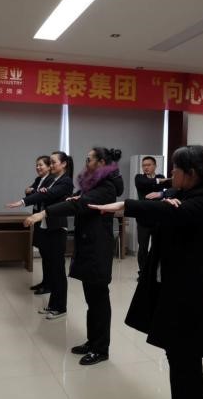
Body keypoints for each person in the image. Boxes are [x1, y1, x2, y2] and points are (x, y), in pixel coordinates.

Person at [91, 145, 203, 399]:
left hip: (189, 293)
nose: (171, 173)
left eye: (176, 169)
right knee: (176, 354)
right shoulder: (180, 193)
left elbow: (172, 212)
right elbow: (156, 215)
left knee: (187, 361)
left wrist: (125, 205)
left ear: (190, 173)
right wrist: (165, 202)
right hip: (171, 288)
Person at [24, 147, 123, 365]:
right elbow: (78, 199)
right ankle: (92, 341)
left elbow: (79, 204)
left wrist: (44, 212)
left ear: (101, 163)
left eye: (89, 159)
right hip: (88, 246)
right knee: (91, 298)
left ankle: (101, 348)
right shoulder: (94, 184)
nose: (85, 163)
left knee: (98, 299)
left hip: (98, 249)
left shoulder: (106, 187)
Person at [7, 151, 74, 319]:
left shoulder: (66, 181)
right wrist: (32, 195)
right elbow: (42, 194)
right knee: (52, 267)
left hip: (57, 228)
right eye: (49, 162)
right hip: (47, 227)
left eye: (53, 162)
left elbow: (48, 194)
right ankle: (53, 305)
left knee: (58, 270)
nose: (51, 165)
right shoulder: (54, 180)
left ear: (64, 164)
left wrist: (23, 201)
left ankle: (60, 307)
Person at [134, 156, 170, 279]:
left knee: (156, 247)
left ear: (155, 166)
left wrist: (161, 182)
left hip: (157, 218)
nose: (146, 167)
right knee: (143, 248)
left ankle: (153, 272)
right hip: (143, 219)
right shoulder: (139, 178)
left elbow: (171, 185)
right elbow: (145, 183)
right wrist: (160, 181)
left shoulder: (160, 176)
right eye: (144, 165)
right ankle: (142, 273)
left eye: (149, 165)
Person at [25, 155, 54, 295]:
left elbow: (42, 195)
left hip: (47, 220)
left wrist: (32, 191)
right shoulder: (38, 179)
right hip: (37, 218)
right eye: (37, 165)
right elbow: (31, 195)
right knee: (43, 252)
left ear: (49, 167)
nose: (38, 167)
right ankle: (45, 282)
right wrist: (30, 191)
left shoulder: (51, 180)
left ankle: (49, 285)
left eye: (41, 165)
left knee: (48, 254)